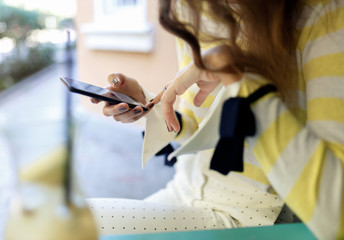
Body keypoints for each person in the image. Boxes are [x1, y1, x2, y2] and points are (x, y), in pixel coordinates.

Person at [88, 0, 344, 239]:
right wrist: (149, 106)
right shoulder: (190, 8)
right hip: (185, 191)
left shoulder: (324, 14)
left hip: (252, 216)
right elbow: (196, 126)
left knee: (72, 225)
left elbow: (335, 213)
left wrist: (241, 81)